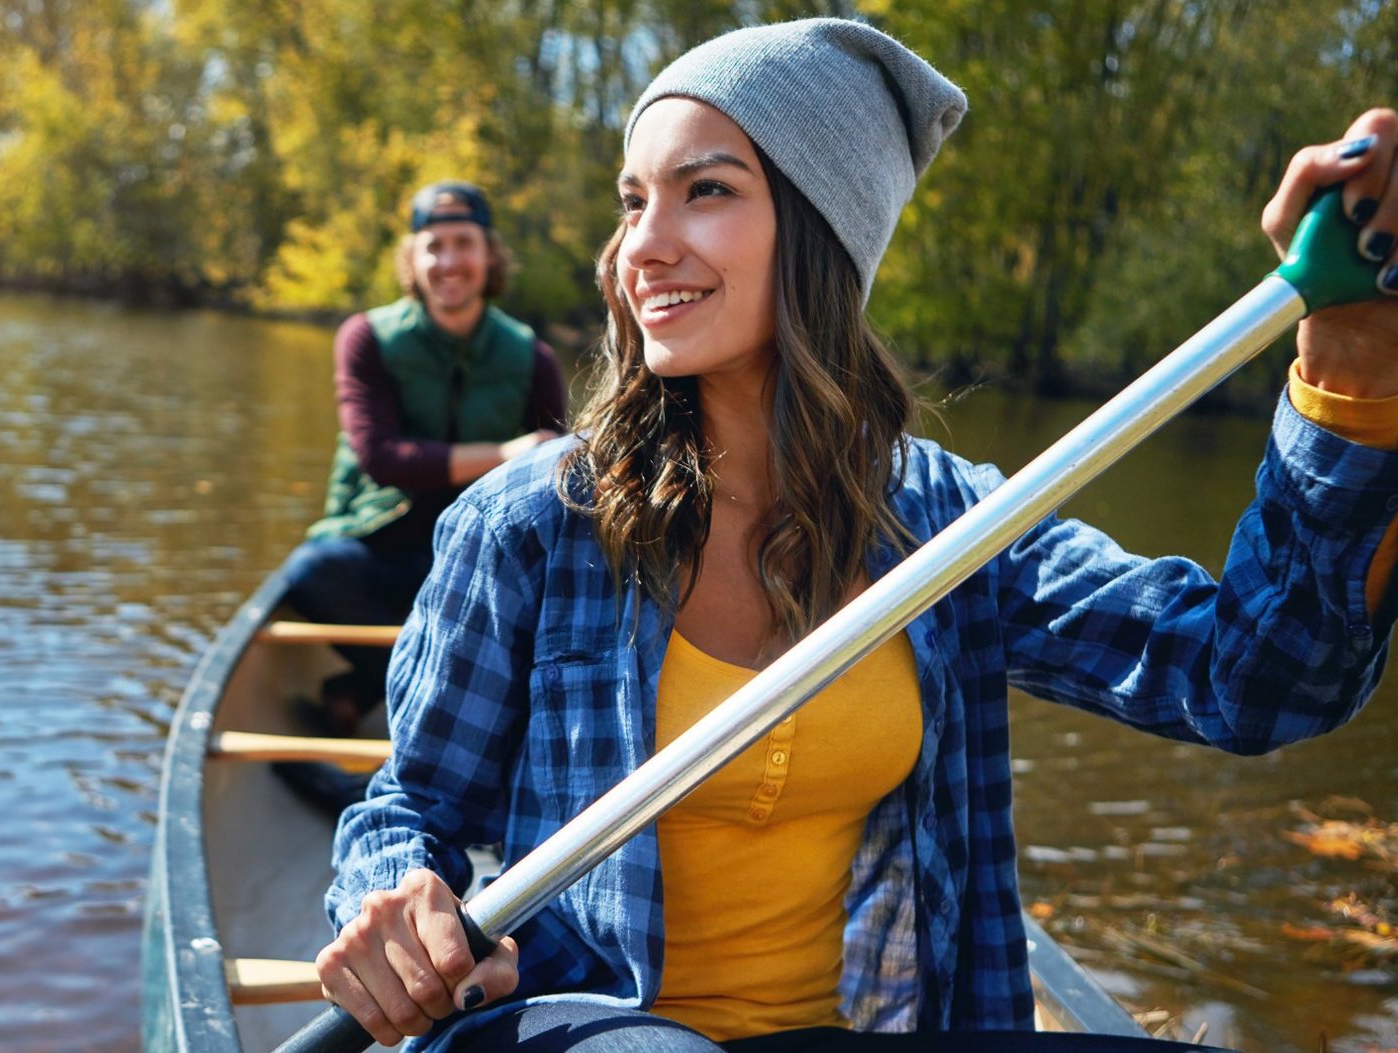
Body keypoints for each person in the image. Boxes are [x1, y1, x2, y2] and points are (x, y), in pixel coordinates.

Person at [315, 17, 1398, 1053]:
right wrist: (399, 902)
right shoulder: (529, 525)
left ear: (822, 230)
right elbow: (407, 808)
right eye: (632, 200)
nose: (640, 246)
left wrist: (1349, 365)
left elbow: (1260, 679)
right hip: (574, 1022)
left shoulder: (952, 530)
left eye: (705, 192)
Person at [281, 180, 567, 743]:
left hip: (473, 558)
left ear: (489, 255)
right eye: (433, 246)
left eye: (464, 243)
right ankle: (394, 682)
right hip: (380, 546)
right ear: (412, 258)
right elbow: (382, 458)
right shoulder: (365, 338)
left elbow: (555, 478)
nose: (449, 261)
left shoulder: (533, 357)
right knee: (311, 572)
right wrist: (506, 455)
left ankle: (363, 693)